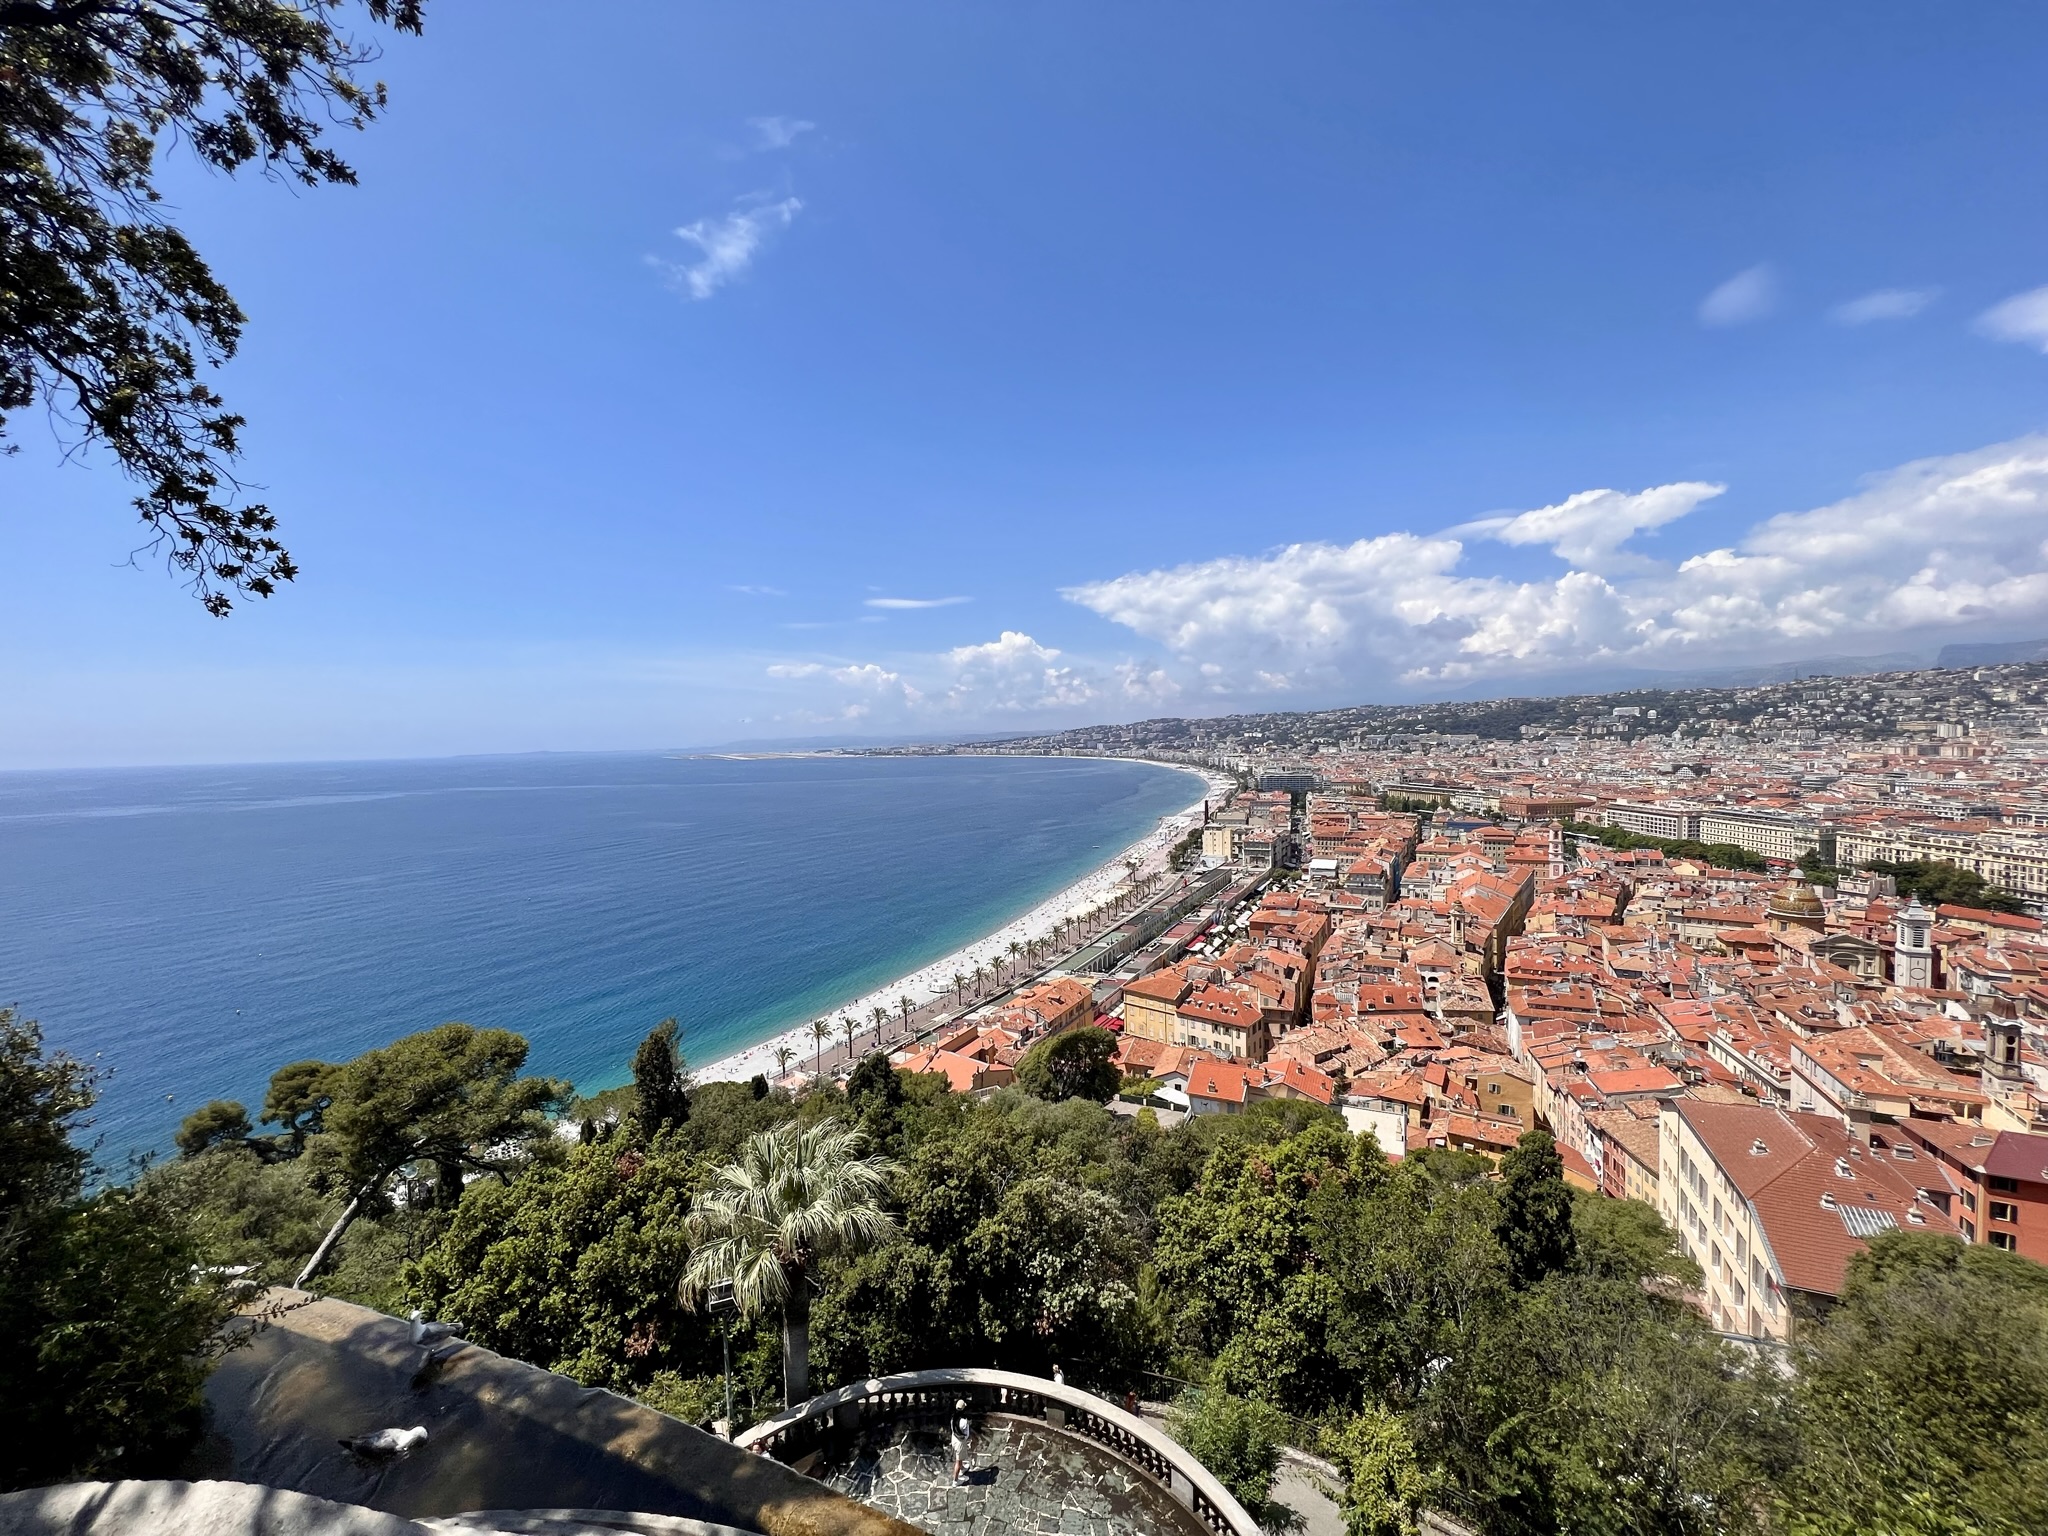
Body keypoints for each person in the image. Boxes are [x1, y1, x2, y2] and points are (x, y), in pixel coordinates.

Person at [950, 1398, 972, 1485]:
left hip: (954, 1438)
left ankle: (963, 1468)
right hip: (960, 1442)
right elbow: (966, 1434)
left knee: (959, 1457)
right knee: (958, 1462)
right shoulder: (964, 1421)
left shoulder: (953, 1417)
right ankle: (955, 1481)